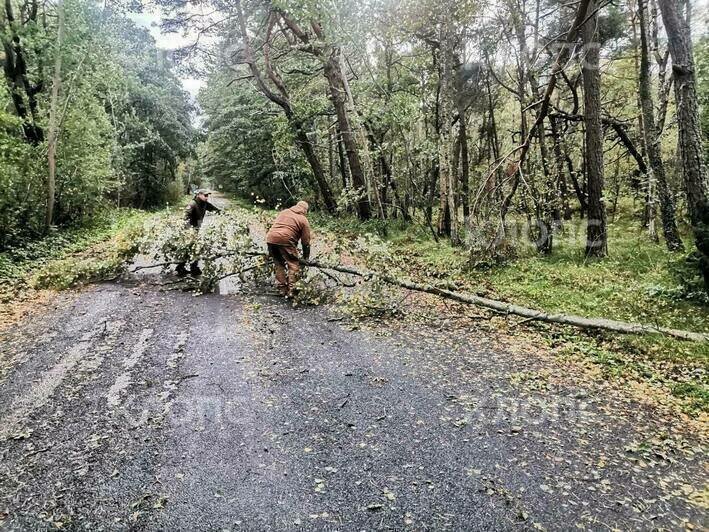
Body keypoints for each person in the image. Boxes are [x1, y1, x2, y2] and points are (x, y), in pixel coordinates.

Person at [266, 201, 311, 297]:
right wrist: (306, 258)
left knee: (279, 263)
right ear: (305, 210)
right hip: (285, 240)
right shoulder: (303, 219)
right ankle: (292, 290)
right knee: (293, 264)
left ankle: (282, 289)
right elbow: (305, 242)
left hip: (270, 238)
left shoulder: (284, 212)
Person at [177, 189, 221, 277]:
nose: (207, 197)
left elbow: (214, 209)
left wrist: (225, 214)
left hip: (196, 229)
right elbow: (185, 218)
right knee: (193, 248)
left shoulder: (204, 204)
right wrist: (189, 231)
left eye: (208, 195)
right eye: (205, 195)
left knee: (191, 249)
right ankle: (191, 268)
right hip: (189, 230)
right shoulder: (192, 204)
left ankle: (183, 267)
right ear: (199, 195)